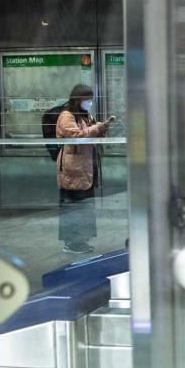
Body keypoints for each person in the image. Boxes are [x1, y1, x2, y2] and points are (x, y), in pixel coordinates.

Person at [56, 84, 115, 254]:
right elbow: (77, 135)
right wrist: (97, 128)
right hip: (73, 166)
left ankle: (82, 239)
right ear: (78, 99)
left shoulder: (84, 115)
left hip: (86, 165)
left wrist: (103, 126)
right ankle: (72, 241)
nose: (90, 102)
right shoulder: (66, 116)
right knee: (73, 203)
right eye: (87, 99)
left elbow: (92, 130)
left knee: (85, 204)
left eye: (91, 99)